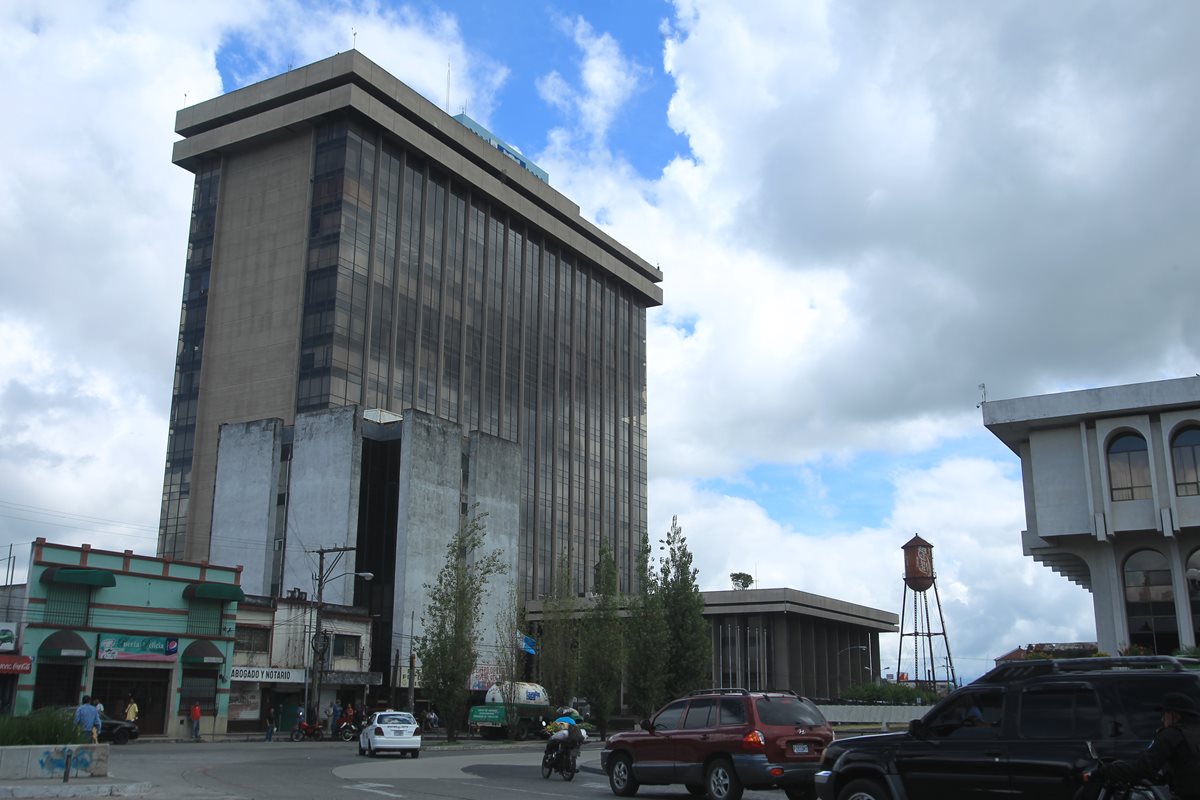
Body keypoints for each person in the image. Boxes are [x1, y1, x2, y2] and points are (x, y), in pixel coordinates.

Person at [1099, 691, 1200, 799]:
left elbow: (1143, 768)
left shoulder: (1171, 735)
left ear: (1174, 715)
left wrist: (1106, 770)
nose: (1162, 719)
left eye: (1163, 714)